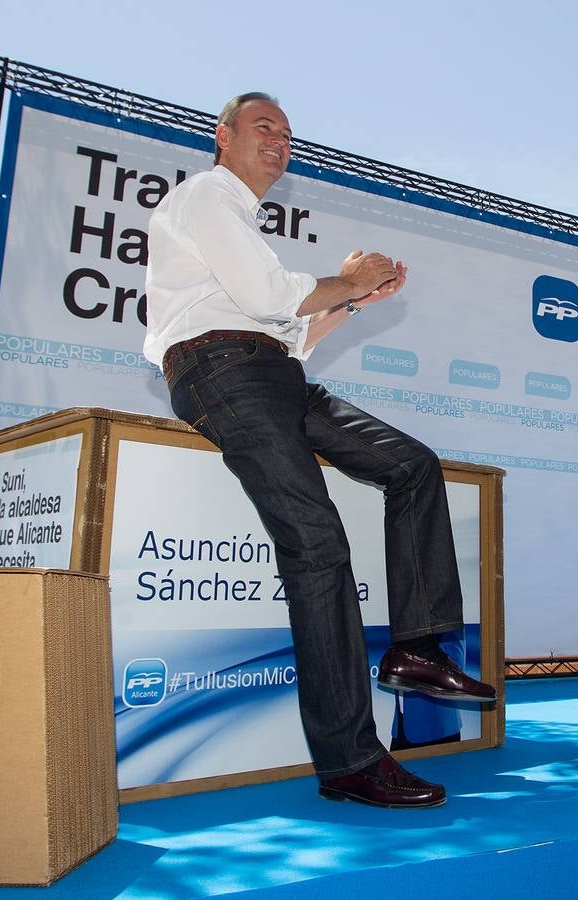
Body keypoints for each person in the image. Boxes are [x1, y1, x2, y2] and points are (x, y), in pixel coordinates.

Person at [143, 92, 495, 810]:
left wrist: (355, 300)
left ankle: (418, 649)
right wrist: (350, 280)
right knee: (317, 545)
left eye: (287, 134)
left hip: (271, 371)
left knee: (412, 465)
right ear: (223, 137)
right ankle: (348, 761)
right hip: (221, 372)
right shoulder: (206, 196)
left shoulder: (240, 220)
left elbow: (291, 332)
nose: (278, 142)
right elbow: (268, 292)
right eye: (262, 128)